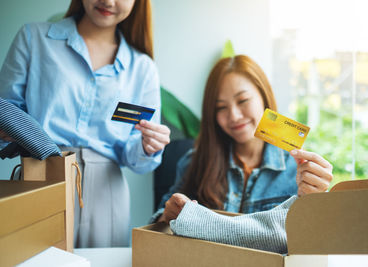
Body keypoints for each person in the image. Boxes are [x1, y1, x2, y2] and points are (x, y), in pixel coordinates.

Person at [0, 0, 170, 248]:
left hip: (107, 195)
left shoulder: (143, 68)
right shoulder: (32, 38)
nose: (108, 1)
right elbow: (7, 111)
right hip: (41, 175)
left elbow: (134, 155)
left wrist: (148, 146)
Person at [152, 55, 332, 224]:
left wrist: (316, 201)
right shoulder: (193, 162)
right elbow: (156, 227)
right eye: (221, 107)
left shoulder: (299, 170)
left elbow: (314, 239)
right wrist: (167, 216)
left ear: (264, 96)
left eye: (243, 100)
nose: (234, 116)